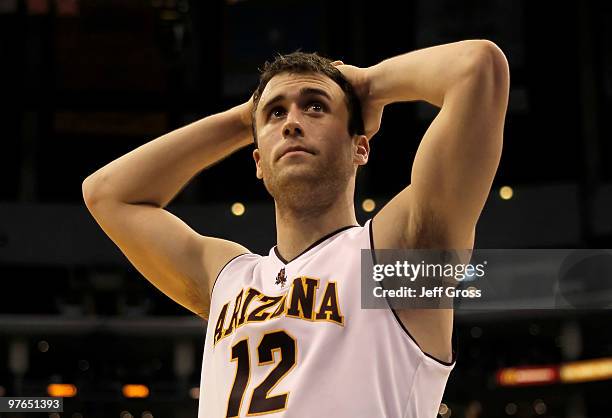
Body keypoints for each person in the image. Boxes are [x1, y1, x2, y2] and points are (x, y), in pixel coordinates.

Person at [82, 40, 509, 417]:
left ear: (360, 146)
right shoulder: (227, 278)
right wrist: (243, 119)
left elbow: (477, 68)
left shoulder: (394, 258)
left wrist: (367, 85)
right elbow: (106, 193)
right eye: (275, 113)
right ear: (257, 163)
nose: (291, 122)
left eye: (316, 106)